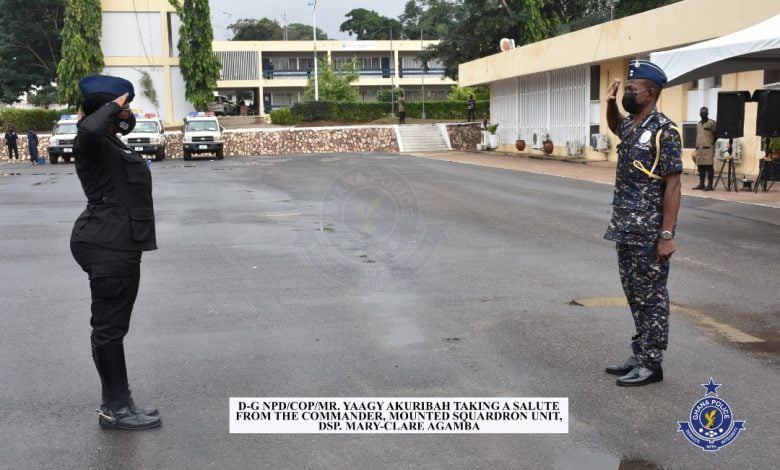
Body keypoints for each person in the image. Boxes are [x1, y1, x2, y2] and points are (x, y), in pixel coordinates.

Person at [70, 75, 161, 430]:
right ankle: (115, 408)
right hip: (107, 244)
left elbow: (104, 131)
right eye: (127, 107)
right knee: (109, 330)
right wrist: (113, 105)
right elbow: (88, 129)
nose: (129, 114)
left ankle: (121, 402)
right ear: (109, 110)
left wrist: (119, 116)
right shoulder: (92, 140)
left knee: (113, 329)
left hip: (118, 242)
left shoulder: (111, 143)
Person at [603, 60, 682, 387]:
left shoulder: (665, 131)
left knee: (652, 296)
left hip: (650, 231)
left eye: (632, 90)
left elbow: (674, 186)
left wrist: (666, 235)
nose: (628, 93)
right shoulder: (635, 125)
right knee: (634, 293)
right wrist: (610, 103)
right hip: (626, 227)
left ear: (649, 93)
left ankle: (652, 363)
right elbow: (615, 125)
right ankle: (640, 354)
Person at [692, 107, 716, 191]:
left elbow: (716, 134)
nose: (703, 114)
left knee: (709, 167)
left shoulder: (711, 123)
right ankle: (701, 184)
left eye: (704, 112)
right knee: (700, 167)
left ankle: (710, 185)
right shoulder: (698, 124)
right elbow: (698, 137)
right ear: (699, 114)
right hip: (699, 149)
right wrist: (696, 148)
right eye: (701, 113)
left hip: (708, 149)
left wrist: (712, 143)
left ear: (707, 113)